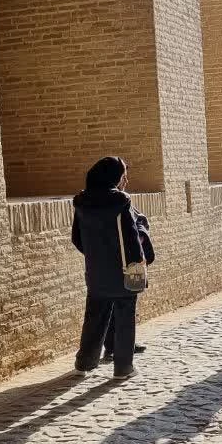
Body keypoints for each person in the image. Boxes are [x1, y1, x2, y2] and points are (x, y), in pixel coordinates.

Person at [71, 156, 152, 380]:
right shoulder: (121, 201)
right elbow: (131, 237)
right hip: (123, 270)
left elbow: (77, 238)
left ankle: (84, 363)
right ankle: (123, 368)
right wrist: (139, 261)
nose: (125, 180)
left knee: (94, 318)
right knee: (125, 319)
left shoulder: (81, 201)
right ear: (113, 176)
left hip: (96, 271)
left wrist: (97, 257)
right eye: (123, 175)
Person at [100, 211, 154, 363]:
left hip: (118, 263)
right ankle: (112, 348)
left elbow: (139, 221)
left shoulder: (125, 204)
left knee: (124, 308)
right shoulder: (114, 205)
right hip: (115, 263)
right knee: (114, 307)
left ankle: (125, 345)